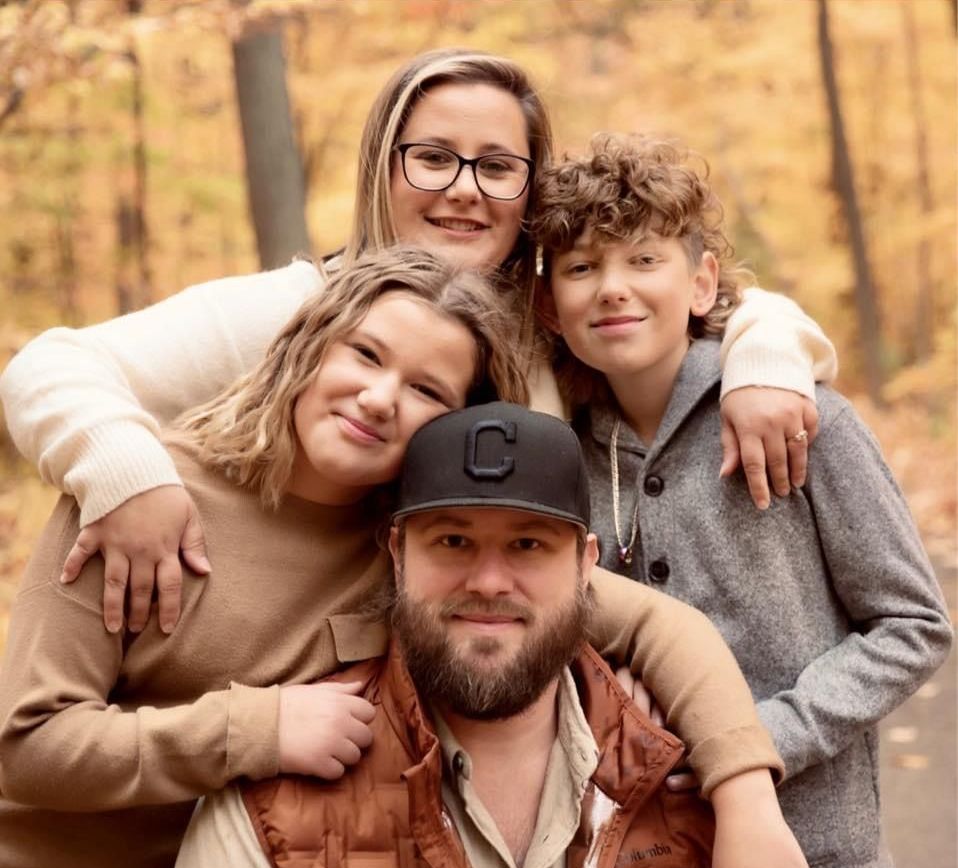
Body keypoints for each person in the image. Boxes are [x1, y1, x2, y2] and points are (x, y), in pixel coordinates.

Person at [0, 247, 807, 868]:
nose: (382, 398)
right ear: (309, 347)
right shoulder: (146, 499)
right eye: (365, 355)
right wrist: (255, 729)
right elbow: (25, 748)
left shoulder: (423, 545)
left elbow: (666, 630)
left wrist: (746, 803)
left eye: (427, 390)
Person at [0, 48, 837, 639]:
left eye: (497, 167)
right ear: (381, 168)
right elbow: (51, 364)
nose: (464, 192)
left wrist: (764, 356)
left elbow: (713, 308)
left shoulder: (553, 330)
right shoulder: (299, 310)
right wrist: (127, 476)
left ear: (527, 192)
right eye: (432, 158)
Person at [160, 402, 819, 868]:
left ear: (586, 564)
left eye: (528, 544)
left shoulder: (689, 790)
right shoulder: (270, 809)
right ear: (397, 555)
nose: (489, 581)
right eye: (452, 541)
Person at [529, 134, 954, 868]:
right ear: (552, 308)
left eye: (642, 260)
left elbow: (913, 627)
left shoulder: (804, 419)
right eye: (581, 269)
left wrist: (762, 739)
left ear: (701, 284)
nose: (612, 288)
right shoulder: (563, 450)